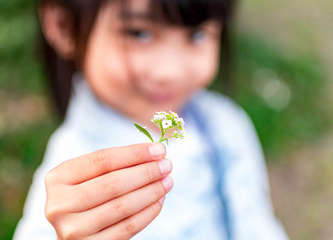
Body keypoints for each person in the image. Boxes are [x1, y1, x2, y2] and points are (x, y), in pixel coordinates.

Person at [14, 0, 289, 239]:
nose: (169, 71)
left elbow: (257, 223)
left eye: (196, 35)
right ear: (62, 26)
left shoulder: (226, 122)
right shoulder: (69, 178)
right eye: (139, 33)